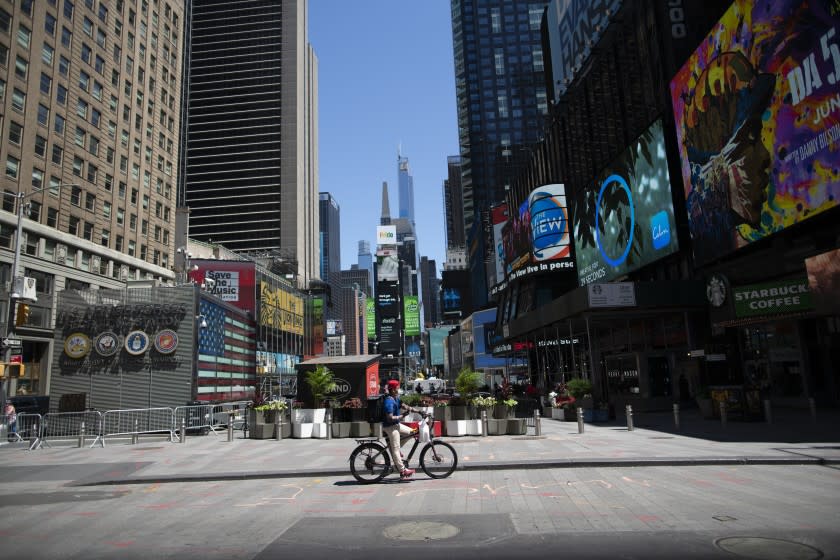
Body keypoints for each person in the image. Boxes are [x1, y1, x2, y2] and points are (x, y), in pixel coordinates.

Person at [382, 379, 419, 479]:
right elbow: (389, 418)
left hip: (396, 424)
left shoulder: (396, 398)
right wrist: (402, 416)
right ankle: (403, 470)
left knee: (412, 432)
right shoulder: (389, 401)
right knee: (396, 449)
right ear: (393, 390)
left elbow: (406, 406)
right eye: (397, 388)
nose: (399, 389)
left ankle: (394, 448)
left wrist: (419, 412)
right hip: (390, 427)